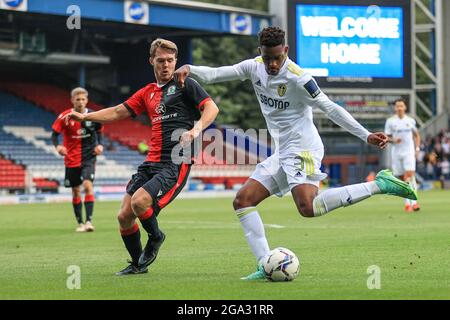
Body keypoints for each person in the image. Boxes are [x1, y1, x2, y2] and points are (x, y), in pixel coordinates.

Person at [174, 27, 417, 280]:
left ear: (286, 51)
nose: (273, 63)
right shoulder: (253, 67)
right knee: (243, 201)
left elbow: (331, 109)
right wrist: (190, 68)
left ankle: (380, 184)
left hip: (303, 147)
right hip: (283, 150)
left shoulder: (299, 78)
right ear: (261, 53)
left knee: (307, 206)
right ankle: (265, 264)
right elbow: (216, 74)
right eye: (268, 58)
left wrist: (365, 134)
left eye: (278, 57)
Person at [66, 38, 219, 275]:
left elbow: (212, 108)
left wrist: (195, 130)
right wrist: (86, 117)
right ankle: (138, 264)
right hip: (152, 161)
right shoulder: (147, 92)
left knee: (139, 202)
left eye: (170, 60)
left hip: (176, 161)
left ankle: (156, 237)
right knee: (124, 216)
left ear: (176, 61)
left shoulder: (185, 84)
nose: (166, 65)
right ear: (151, 61)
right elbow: (117, 112)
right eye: (161, 60)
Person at [52, 87, 103, 232]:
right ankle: (80, 223)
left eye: (83, 99)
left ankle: (89, 222)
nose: (80, 102)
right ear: (72, 100)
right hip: (71, 158)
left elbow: (99, 132)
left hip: (89, 157)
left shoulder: (94, 115)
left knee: (87, 185)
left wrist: (100, 144)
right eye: (77, 99)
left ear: (87, 100)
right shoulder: (65, 116)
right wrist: (58, 147)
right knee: (75, 191)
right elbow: (54, 135)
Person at [385, 99, 421, 212]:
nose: (399, 108)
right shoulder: (390, 121)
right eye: (397, 106)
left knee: (408, 175)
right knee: (402, 179)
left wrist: (417, 148)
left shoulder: (410, 121)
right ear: (395, 108)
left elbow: (417, 135)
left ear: (405, 107)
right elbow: (386, 138)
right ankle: (407, 203)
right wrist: (393, 140)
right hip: (396, 153)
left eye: (401, 106)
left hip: (409, 152)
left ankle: (414, 203)